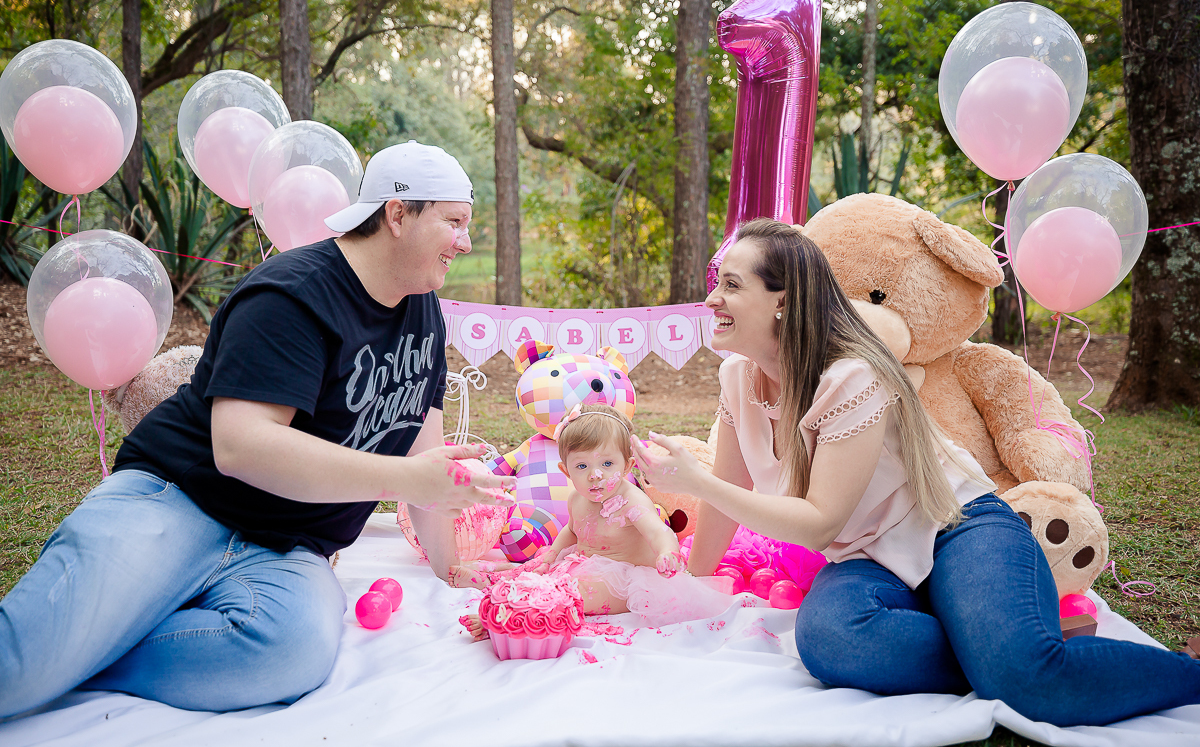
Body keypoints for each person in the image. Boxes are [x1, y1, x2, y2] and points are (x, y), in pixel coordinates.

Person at [0, 141, 513, 717]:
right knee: (17, 670)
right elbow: (242, 446)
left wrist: (452, 570)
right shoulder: (291, 293)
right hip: (181, 500)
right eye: (455, 221)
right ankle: (65, 652)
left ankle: (91, 655)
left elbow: (426, 456)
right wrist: (406, 479)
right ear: (398, 215)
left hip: (289, 548)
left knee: (292, 653)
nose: (466, 241)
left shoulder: (422, 310)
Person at [631, 219, 1200, 727]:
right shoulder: (738, 377)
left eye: (732, 284)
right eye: (718, 282)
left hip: (960, 531)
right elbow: (733, 498)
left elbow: (818, 524)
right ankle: (995, 644)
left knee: (1032, 683)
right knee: (829, 639)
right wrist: (691, 591)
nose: (712, 298)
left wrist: (695, 481)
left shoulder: (851, 376)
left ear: (784, 300)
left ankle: (1163, 670)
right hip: (869, 560)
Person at [459, 403, 730, 632]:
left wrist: (667, 552)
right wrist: (552, 553)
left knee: (565, 593)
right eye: (582, 466)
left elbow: (657, 531)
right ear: (566, 471)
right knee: (536, 571)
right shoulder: (578, 498)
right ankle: (490, 576)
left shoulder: (631, 501)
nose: (595, 474)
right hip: (585, 564)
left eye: (607, 464)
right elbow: (572, 531)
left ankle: (505, 619)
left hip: (625, 580)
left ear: (628, 466)